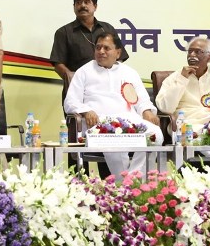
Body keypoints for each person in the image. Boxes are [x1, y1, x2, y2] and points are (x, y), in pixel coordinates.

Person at [63, 32, 163, 181]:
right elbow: (70, 101)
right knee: (114, 140)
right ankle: (128, 186)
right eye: (98, 47)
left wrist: (146, 111)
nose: (101, 51)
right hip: (100, 123)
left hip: (129, 121)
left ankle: (132, 180)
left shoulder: (130, 72)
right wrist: (86, 111)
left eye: (106, 48)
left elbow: (142, 100)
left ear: (118, 53)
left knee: (156, 135)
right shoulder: (84, 71)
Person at [50, 0, 129, 101]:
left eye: (87, 2)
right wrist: (73, 79)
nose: (82, 5)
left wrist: (110, 77)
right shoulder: (63, 32)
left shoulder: (107, 29)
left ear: (95, 6)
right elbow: (58, 63)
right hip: (78, 92)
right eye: (78, 2)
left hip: (108, 90)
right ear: (74, 6)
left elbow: (119, 58)